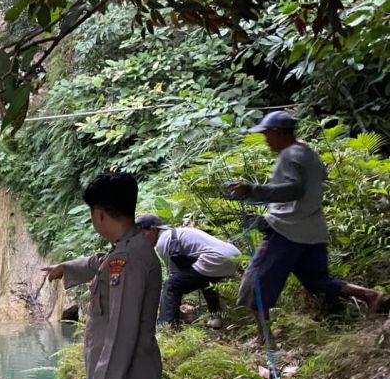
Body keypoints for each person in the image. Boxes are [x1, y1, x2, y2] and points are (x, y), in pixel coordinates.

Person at [41, 173, 162, 379]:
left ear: (99, 214)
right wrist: (67, 267)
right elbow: (99, 264)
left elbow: (122, 331)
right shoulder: (129, 250)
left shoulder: (129, 260)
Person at [228, 111, 387, 341]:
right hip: (311, 230)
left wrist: (253, 190)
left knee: (255, 282)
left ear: (279, 132)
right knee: (318, 282)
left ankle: (264, 337)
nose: (266, 139)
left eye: (267, 134)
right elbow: (319, 177)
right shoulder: (307, 152)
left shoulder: (289, 154)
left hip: (286, 232)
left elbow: (295, 189)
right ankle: (370, 296)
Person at [135, 214, 241, 329]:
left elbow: (175, 278)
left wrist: (175, 303)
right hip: (234, 256)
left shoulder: (163, 240)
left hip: (216, 259)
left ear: (153, 229)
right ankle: (216, 318)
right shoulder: (179, 232)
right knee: (205, 282)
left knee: (170, 285)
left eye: (143, 234)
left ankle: (166, 327)